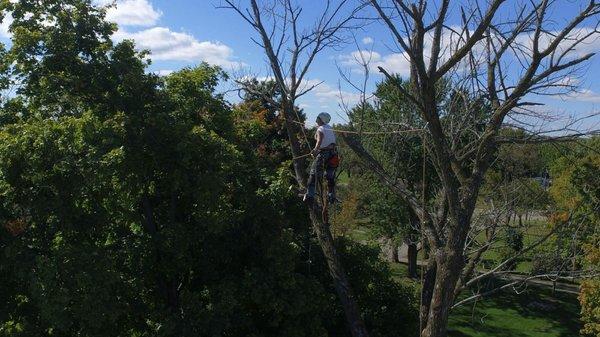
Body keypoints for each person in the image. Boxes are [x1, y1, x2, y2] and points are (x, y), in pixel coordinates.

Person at [303, 112, 338, 204]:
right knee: (329, 176)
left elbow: (319, 140)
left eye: (317, 118)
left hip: (324, 154)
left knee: (313, 175)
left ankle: (310, 196)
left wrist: (315, 150)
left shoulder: (321, 129)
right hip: (333, 154)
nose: (316, 120)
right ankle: (331, 195)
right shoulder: (329, 128)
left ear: (321, 120)